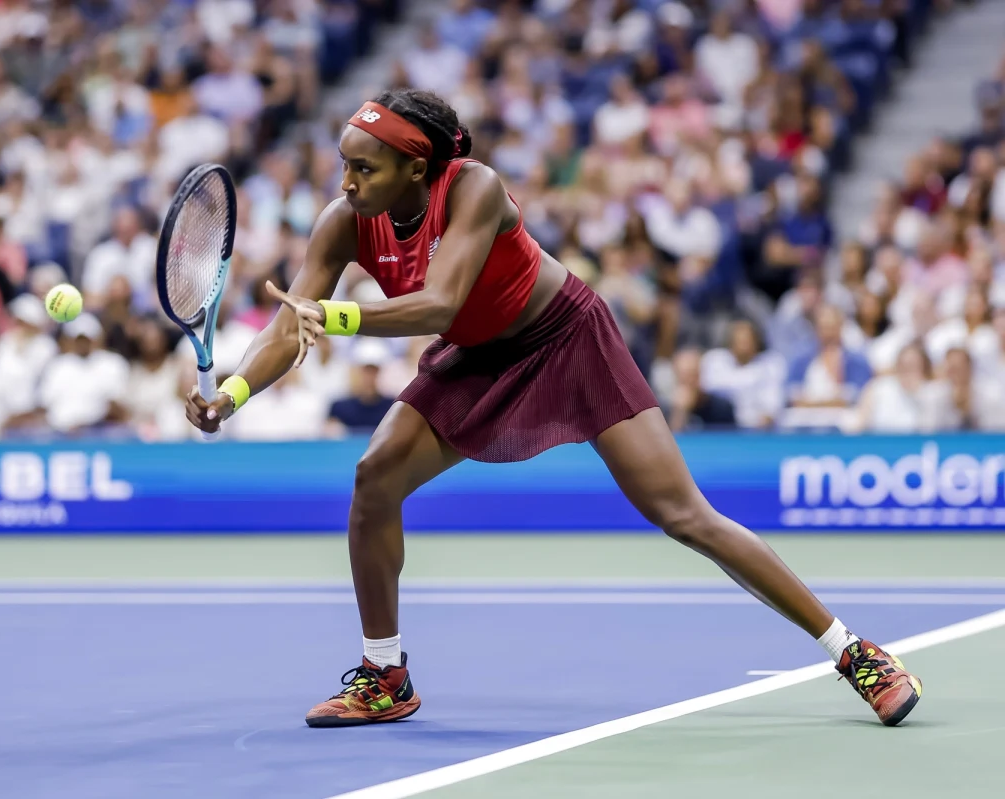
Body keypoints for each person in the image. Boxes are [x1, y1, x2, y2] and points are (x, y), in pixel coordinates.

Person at [184, 89, 922, 728]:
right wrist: (231, 395)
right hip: (476, 356)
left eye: (364, 168)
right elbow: (287, 328)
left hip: (567, 338)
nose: (346, 182)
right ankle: (385, 677)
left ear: (416, 167)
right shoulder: (343, 221)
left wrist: (338, 316)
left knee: (682, 513)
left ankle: (856, 653)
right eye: (343, 165)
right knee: (374, 477)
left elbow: (438, 301)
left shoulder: (474, 188)